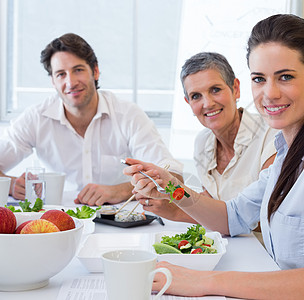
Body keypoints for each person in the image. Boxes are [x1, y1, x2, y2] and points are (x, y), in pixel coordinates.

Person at [124, 14, 304, 299]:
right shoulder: (290, 151)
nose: (269, 93)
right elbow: (231, 217)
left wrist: (206, 282)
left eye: (285, 77)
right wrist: (170, 185)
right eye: (260, 79)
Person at [0, 33, 183, 206]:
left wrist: (121, 190)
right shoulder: (36, 118)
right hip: (58, 222)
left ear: (95, 72)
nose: (71, 82)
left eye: (78, 70)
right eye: (61, 74)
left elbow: (173, 176)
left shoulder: (128, 115)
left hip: (120, 223)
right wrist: (10, 184)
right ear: (53, 81)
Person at [136, 52, 277, 226]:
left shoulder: (271, 134)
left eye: (215, 90)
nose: (208, 103)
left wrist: (175, 208)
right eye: (196, 96)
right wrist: (165, 197)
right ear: (188, 103)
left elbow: (260, 218)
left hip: (261, 250)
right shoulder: (202, 142)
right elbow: (210, 207)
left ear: (236, 89)